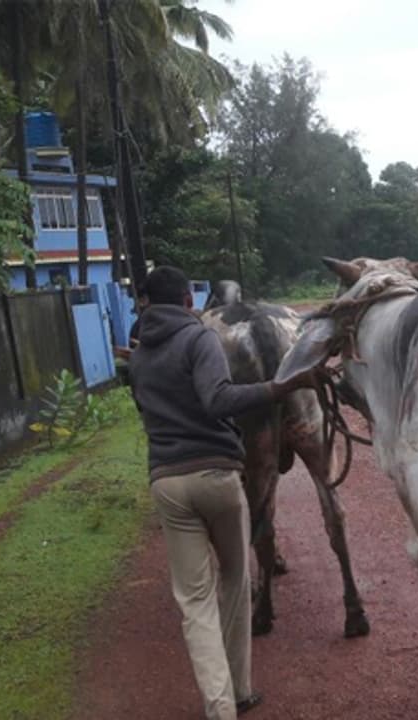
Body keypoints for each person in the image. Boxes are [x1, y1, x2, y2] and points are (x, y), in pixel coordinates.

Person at [127, 266, 302, 720]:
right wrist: (277, 388)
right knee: (234, 581)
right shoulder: (200, 338)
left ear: (147, 304)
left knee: (194, 600)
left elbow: (146, 411)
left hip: (167, 482)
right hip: (217, 478)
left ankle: (219, 707)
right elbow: (219, 400)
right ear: (189, 301)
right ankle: (241, 689)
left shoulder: (139, 356)